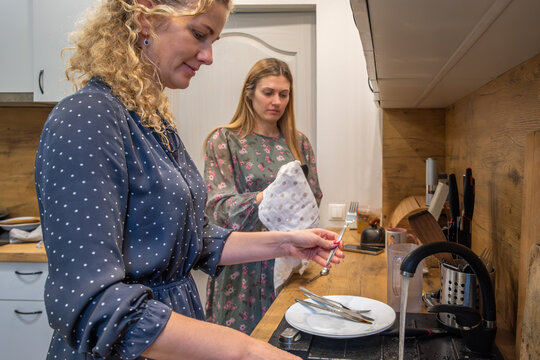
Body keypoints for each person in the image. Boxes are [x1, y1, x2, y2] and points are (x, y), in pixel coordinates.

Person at [33, 1, 343, 359]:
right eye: (199, 34)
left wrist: (286, 243)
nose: (208, 56)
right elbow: (92, 304)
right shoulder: (87, 118)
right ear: (146, 17)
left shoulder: (154, 124)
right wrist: (247, 351)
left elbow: (197, 240)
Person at [203, 58, 323, 334]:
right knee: (237, 347)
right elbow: (218, 208)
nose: (276, 102)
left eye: (284, 94)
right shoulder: (224, 140)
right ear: (250, 93)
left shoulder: (298, 142)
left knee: (283, 342)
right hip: (240, 267)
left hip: (288, 264)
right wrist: (269, 196)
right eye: (268, 92)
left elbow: (313, 197)